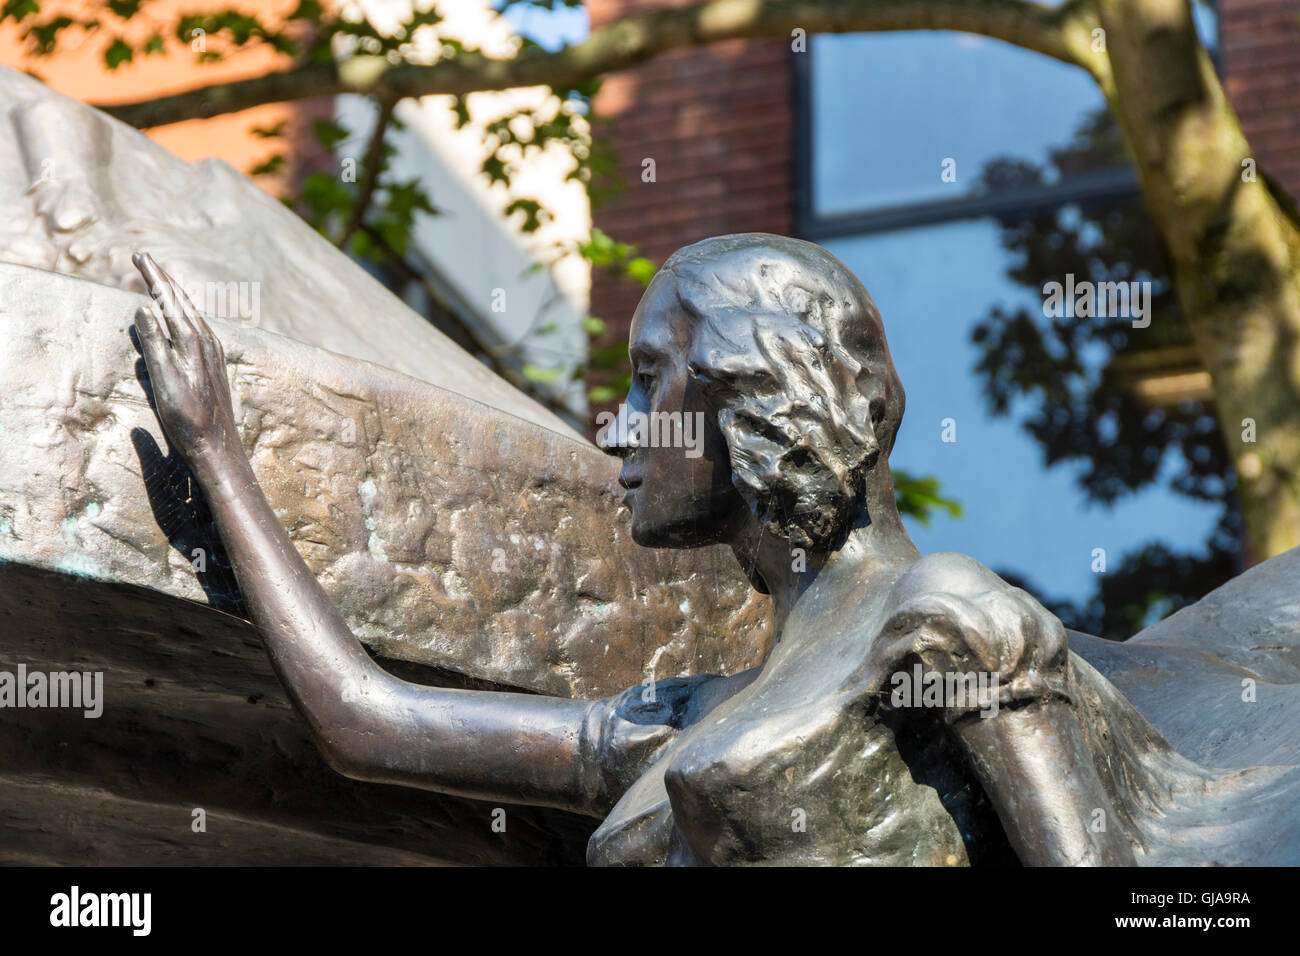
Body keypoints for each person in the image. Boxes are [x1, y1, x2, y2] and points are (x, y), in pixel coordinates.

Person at [129, 234, 1297, 866]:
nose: (621, 429)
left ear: (758, 386)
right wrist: (219, 455)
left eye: (648, 381)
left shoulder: (937, 616)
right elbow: (373, 725)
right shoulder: (686, 710)